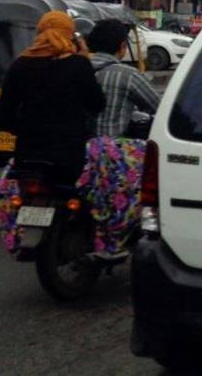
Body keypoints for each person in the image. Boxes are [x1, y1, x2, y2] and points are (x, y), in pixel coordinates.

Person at [76, 19, 161, 258]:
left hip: (69, 147)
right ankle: (120, 232)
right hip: (108, 154)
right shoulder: (127, 75)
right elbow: (160, 108)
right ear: (122, 46)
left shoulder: (71, 66)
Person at [0, 11, 106, 184]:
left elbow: (3, 116)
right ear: (70, 36)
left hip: (27, 153)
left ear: (39, 34)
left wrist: (27, 130)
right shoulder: (78, 65)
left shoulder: (20, 65)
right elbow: (97, 104)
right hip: (68, 155)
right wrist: (84, 60)